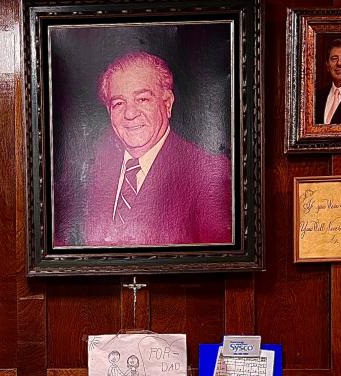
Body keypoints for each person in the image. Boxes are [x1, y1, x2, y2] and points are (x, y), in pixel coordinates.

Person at [76, 51, 232, 247]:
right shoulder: (92, 170)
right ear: (109, 111)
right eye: (118, 103)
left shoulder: (207, 172)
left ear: (167, 103)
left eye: (142, 99)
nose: (130, 113)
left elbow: (219, 265)